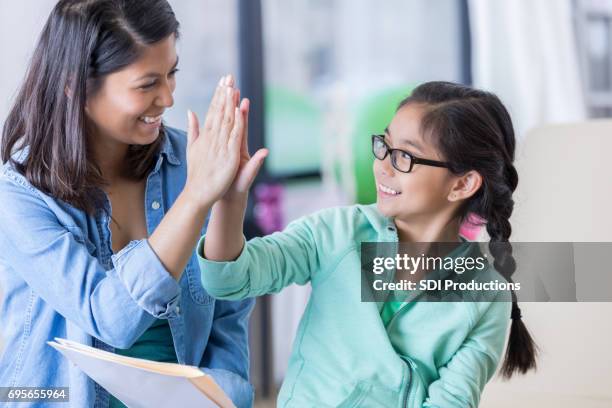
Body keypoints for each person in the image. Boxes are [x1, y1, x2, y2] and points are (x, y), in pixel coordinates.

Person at [198, 81, 538, 407]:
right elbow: (229, 280)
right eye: (384, 146)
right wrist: (228, 201)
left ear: (462, 184)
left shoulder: (486, 294)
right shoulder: (336, 232)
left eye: (404, 157)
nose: (382, 166)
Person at [0, 1, 265, 407]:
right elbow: (109, 318)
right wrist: (196, 198)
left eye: (172, 73)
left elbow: (227, 310)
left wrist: (228, 202)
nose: (168, 98)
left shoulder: (189, 160)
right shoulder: (19, 192)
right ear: (77, 86)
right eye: (147, 84)